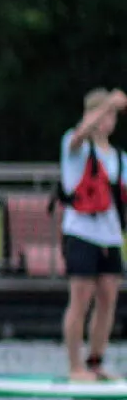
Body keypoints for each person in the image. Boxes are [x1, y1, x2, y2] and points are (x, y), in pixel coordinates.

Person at [59, 87, 126, 380]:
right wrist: (108, 102)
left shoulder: (120, 158)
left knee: (108, 298)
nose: (108, 119)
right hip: (81, 234)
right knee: (81, 299)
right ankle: (75, 367)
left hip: (110, 238)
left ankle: (96, 361)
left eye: (112, 114)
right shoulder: (76, 147)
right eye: (104, 113)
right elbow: (79, 134)